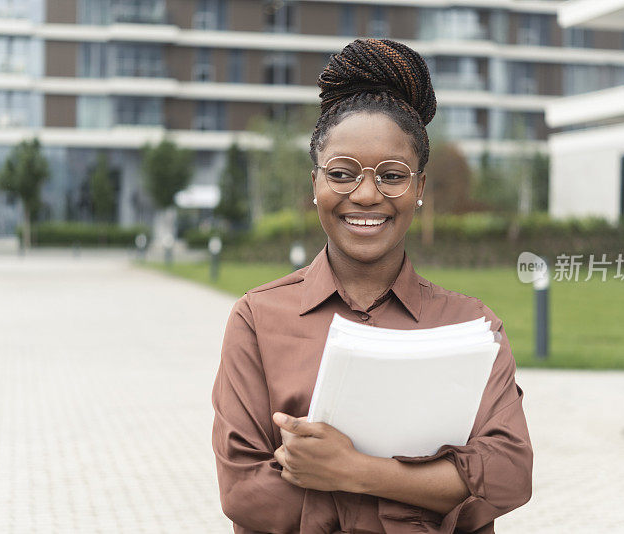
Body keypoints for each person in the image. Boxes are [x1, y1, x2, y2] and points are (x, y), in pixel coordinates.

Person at [212, 38, 532, 534]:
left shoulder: (471, 326)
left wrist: (354, 473)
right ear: (314, 183)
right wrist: (433, 495)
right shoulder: (257, 320)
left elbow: (510, 476)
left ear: (420, 188)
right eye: (341, 174)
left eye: (392, 175)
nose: (365, 195)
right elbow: (247, 494)